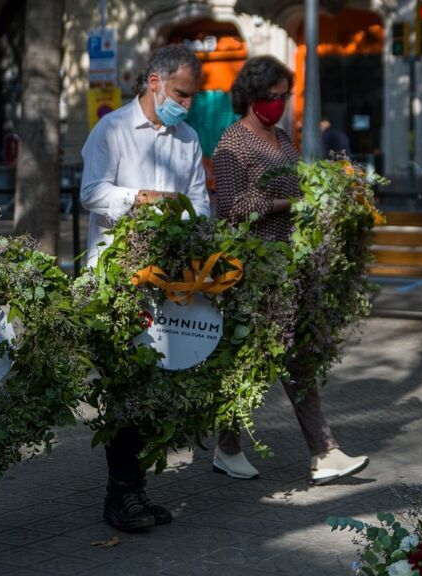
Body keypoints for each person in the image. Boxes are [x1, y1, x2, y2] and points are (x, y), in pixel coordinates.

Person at [211, 56, 369, 485]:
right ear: (251, 96)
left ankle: (324, 452)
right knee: (247, 362)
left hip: (285, 263)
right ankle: (227, 447)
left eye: (284, 96)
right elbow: (231, 208)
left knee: (297, 358)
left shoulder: (282, 139)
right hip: (248, 267)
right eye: (271, 97)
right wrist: (285, 205)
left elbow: (298, 189)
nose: (278, 104)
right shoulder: (232, 143)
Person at [80, 44, 209, 532]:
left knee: (158, 385)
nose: (187, 104)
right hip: (117, 281)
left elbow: (200, 206)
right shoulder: (111, 130)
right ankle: (121, 495)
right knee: (125, 386)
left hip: (170, 283)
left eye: (192, 96)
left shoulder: (189, 138)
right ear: (154, 82)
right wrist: (141, 199)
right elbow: (91, 193)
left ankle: (136, 490)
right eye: (180, 93)